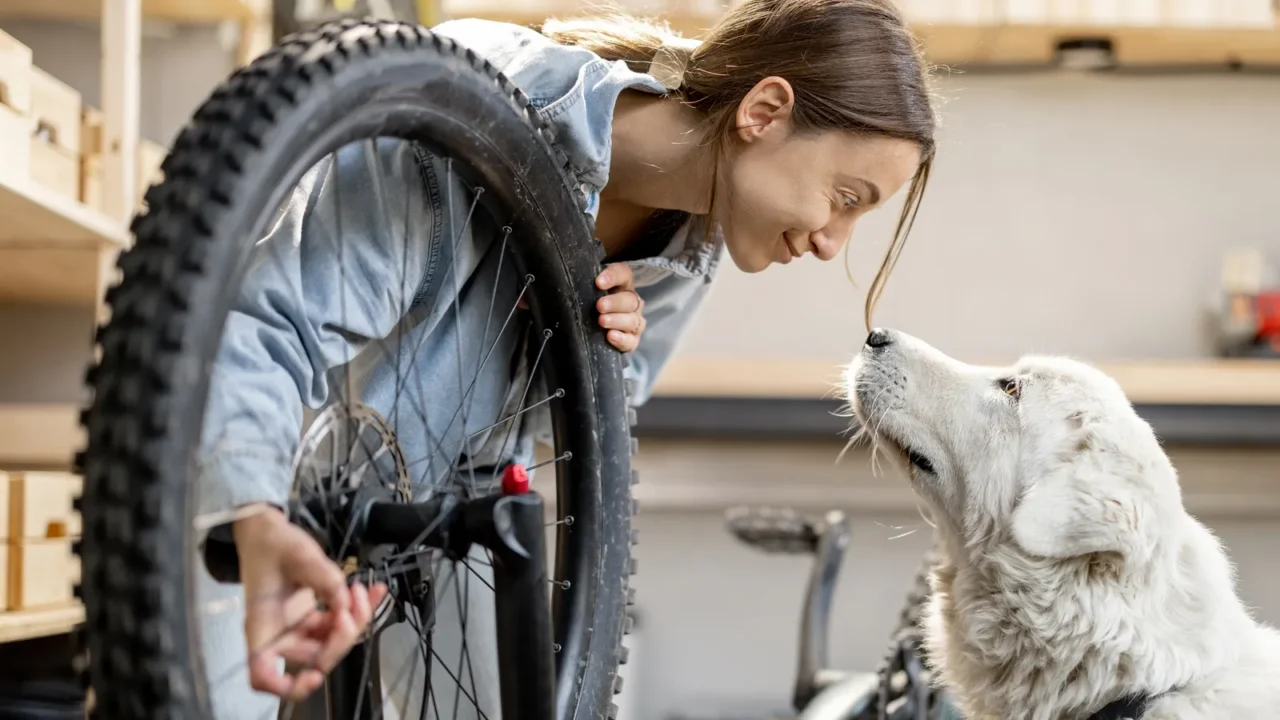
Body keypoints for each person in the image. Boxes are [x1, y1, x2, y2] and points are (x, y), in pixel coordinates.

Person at [197, 0, 937, 714]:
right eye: (845, 195)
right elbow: (259, 326)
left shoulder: (694, 241)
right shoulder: (462, 115)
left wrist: (594, 350)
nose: (831, 242)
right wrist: (255, 521)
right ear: (764, 112)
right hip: (240, 452)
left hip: (433, 507)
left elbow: (577, 435)